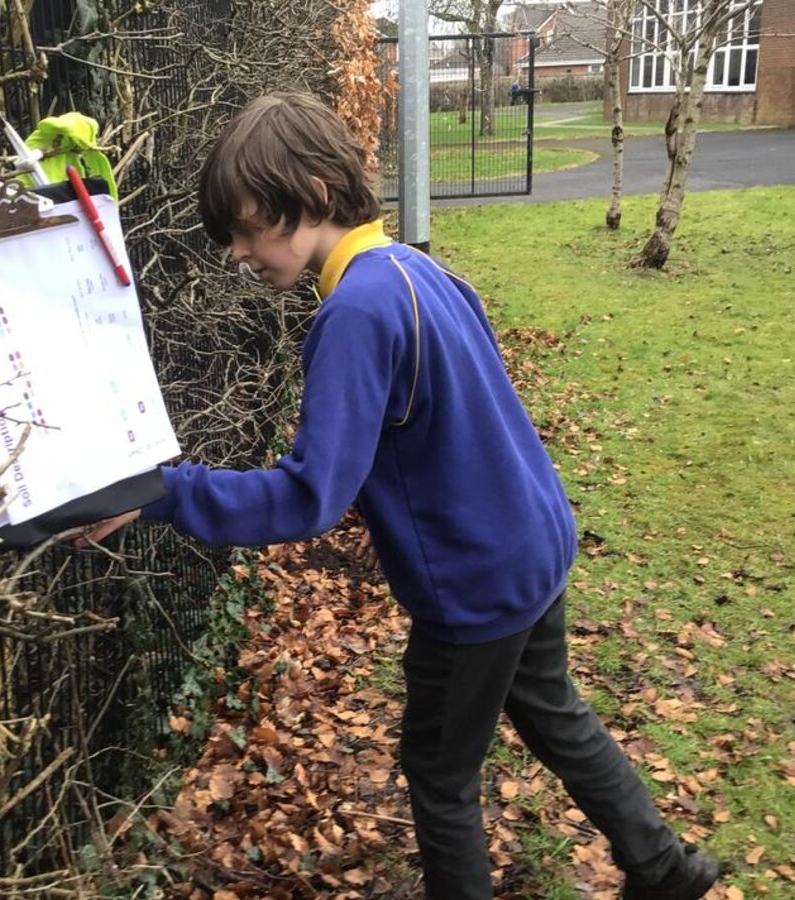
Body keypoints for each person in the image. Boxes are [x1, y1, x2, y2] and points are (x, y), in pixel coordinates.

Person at [75, 92, 721, 900]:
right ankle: (666, 869)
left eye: (245, 228)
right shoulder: (417, 269)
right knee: (552, 709)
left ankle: (658, 870)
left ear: (310, 193)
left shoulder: (355, 312)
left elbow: (308, 499)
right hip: (535, 544)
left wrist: (165, 492)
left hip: (475, 583)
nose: (237, 253)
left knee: (441, 774)